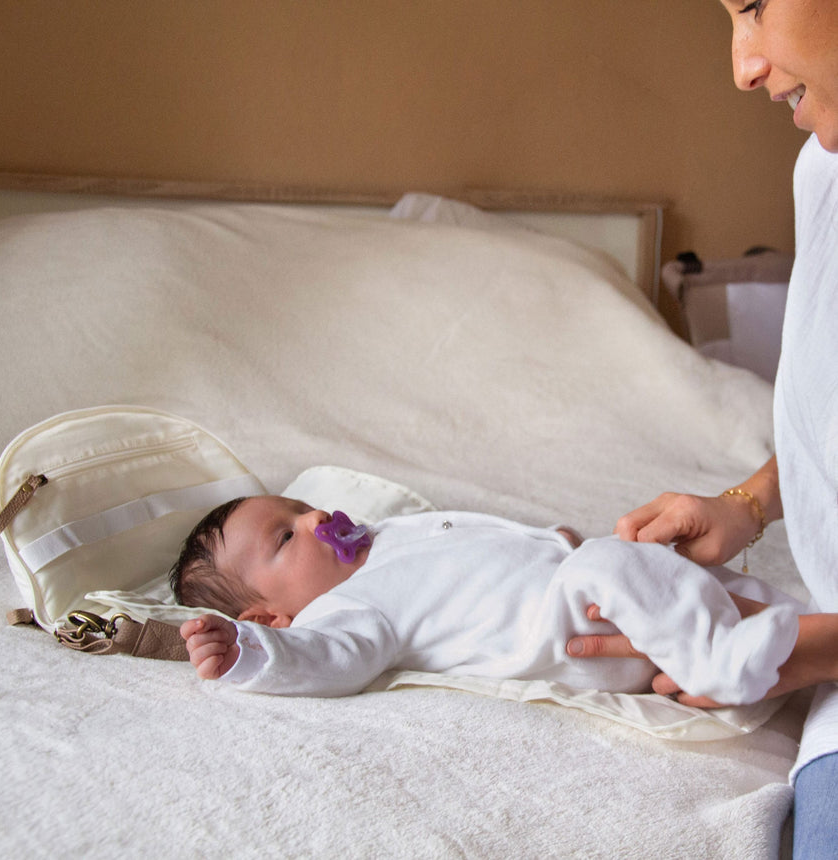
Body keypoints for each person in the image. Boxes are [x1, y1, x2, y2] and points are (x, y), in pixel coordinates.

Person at [565, 2, 838, 854]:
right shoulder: (823, 171)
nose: (743, 67)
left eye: (756, 7)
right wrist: (748, 505)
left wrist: (786, 654)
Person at [171, 494, 799, 701]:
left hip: (577, 588)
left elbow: (470, 543)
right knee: (615, 560)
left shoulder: (387, 537)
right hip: (561, 637)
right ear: (270, 614)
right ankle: (714, 662)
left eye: (302, 509)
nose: (314, 520)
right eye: (286, 536)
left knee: (679, 573)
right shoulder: (342, 609)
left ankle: (789, 635)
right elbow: (325, 659)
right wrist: (251, 655)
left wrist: (543, 540)